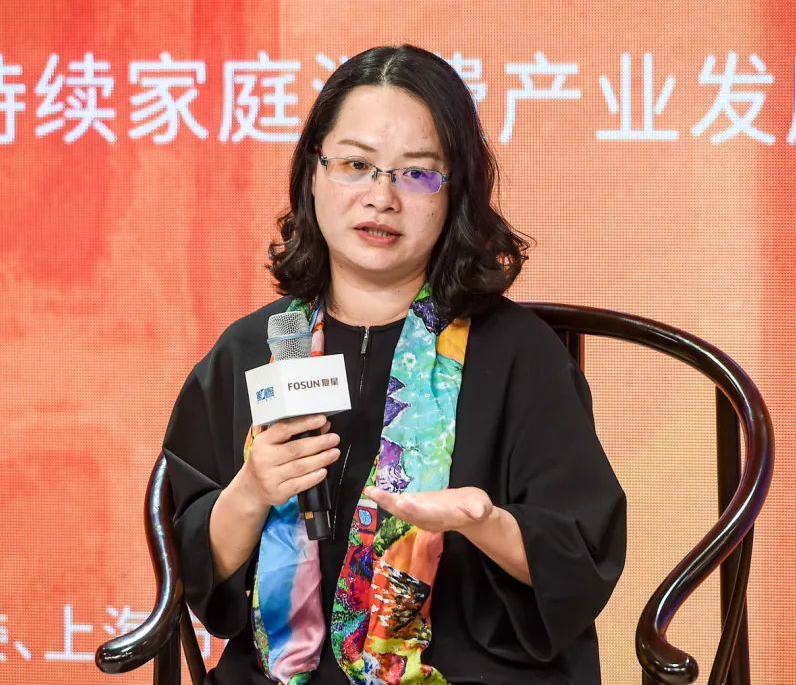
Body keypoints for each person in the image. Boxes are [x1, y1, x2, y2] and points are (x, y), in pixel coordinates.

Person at [162, 44, 626, 684]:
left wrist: (486, 522)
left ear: (455, 193)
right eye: (356, 165)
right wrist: (252, 490)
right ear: (313, 173)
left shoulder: (518, 354)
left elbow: (582, 558)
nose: (381, 197)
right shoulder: (253, 351)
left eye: (417, 174)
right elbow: (190, 570)